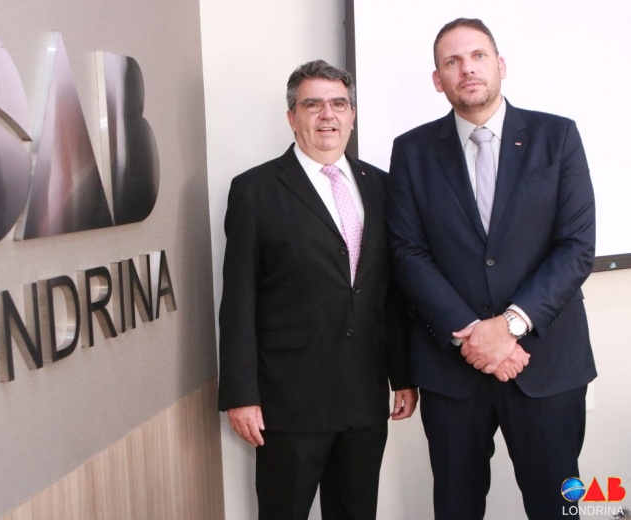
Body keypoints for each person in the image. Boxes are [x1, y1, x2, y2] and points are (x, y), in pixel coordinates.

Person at [386, 18, 597, 519]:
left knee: (559, 507)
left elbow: (576, 247)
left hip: (545, 362)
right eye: (452, 61)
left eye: (478, 56)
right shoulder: (412, 151)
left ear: (500, 64)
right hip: (452, 370)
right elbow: (408, 253)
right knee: (456, 507)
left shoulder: (557, 136)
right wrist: (472, 335)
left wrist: (509, 327)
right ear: (438, 79)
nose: (467, 69)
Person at [218, 59, 417, 520]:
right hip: (288, 403)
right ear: (292, 117)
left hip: (364, 398)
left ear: (352, 115)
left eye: (339, 104)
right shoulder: (254, 190)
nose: (328, 115)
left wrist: (402, 375)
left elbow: (390, 293)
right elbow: (238, 301)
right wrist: (240, 395)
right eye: (313, 105)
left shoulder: (382, 186)